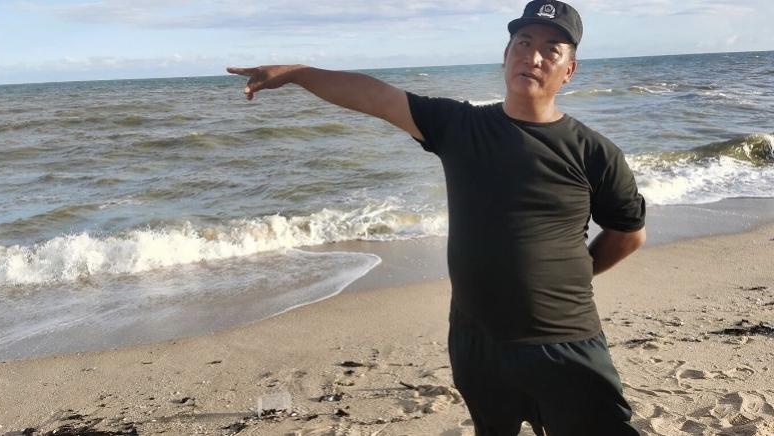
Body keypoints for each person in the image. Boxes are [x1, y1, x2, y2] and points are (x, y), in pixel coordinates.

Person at [228, 1, 646, 434]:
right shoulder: (459, 126)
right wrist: (298, 73)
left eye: (551, 50)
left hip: (564, 341)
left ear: (569, 71)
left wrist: (570, 275)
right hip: (476, 343)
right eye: (523, 43)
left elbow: (628, 233)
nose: (533, 57)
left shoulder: (595, 152)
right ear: (506, 56)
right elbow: (377, 98)